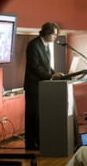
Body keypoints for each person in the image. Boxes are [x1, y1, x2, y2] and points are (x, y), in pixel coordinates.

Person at [23, 22, 63, 150]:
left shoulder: (45, 46)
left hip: (43, 86)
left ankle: (40, 141)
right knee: (32, 115)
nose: (55, 37)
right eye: (54, 35)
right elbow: (34, 66)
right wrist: (50, 76)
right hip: (33, 87)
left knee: (40, 116)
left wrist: (54, 73)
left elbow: (46, 64)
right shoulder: (34, 45)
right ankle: (31, 143)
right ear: (46, 33)